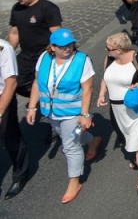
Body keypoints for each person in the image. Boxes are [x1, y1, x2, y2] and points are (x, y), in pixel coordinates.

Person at [26, 29, 101, 204]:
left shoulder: (82, 60)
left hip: (72, 113)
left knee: (70, 146)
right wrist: (31, 107)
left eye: (70, 44)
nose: (67, 48)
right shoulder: (44, 58)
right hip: (51, 111)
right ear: (52, 47)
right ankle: (92, 141)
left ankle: (74, 182)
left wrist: (85, 114)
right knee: (68, 137)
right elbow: (37, 82)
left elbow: (87, 89)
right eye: (62, 46)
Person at [97, 31, 138, 195]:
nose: (106, 50)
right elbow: (105, 77)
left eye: (108, 48)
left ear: (119, 50)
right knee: (125, 136)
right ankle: (136, 158)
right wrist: (102, 94)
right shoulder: (110, 59)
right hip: (117, 108)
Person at [7, 0, 62, 97]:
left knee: (47, 84)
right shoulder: (17, 8)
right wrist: (7, 52)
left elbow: (57, 34)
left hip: (45, 55)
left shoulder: (48, 8)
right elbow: (14, 33)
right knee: (17, 83)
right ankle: (37, 98)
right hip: (26, 56)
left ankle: (45, 103)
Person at [0, 32, 28, 200]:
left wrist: (1, 111)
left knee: (11, 139)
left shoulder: (4, 49)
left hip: (2, 97)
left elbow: (11, 83)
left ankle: (20, 174)